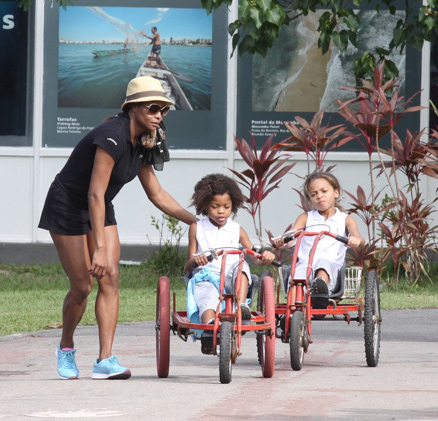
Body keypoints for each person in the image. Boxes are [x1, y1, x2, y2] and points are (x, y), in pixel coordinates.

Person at [38, 76, 197, 380]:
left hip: (99, 206)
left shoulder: (149, 137)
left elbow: (156, 193)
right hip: (68, 204)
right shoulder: (112, 135)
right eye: (153, 108)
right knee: (83, 285)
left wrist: (194, 220)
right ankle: (66, 348)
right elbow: (94, 193)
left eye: (163, 109)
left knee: (110, 277)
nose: (159, 115)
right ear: (133, 108)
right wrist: (98, 247)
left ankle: (104, 360)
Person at [185, 173, 276, 326]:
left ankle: (241, 307)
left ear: (233, 205)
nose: (221, 211)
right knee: (208, 297)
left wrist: (265, 257)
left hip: (232, 277)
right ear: (205, 205)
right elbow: (187, 266)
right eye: (215, 207)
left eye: (226, 207)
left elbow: (255, 256)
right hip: (207, 277)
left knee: (242, 266)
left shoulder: (237, 229)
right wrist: (196, 261)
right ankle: (210, 325)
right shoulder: (197, 228)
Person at [273, 171, 365, 309]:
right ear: (310, 199)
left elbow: (359, 237)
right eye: (313, 194)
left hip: (332, 270)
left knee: (322, 264)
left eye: (324, 191)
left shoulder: (345, 219)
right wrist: (284, 240)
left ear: (336, 192)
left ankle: (320, 291)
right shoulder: (306, 217)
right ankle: (291, 313)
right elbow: (292, 234)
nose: (319, 196)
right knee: (296, 276)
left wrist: (356, 240)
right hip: (306, 265)